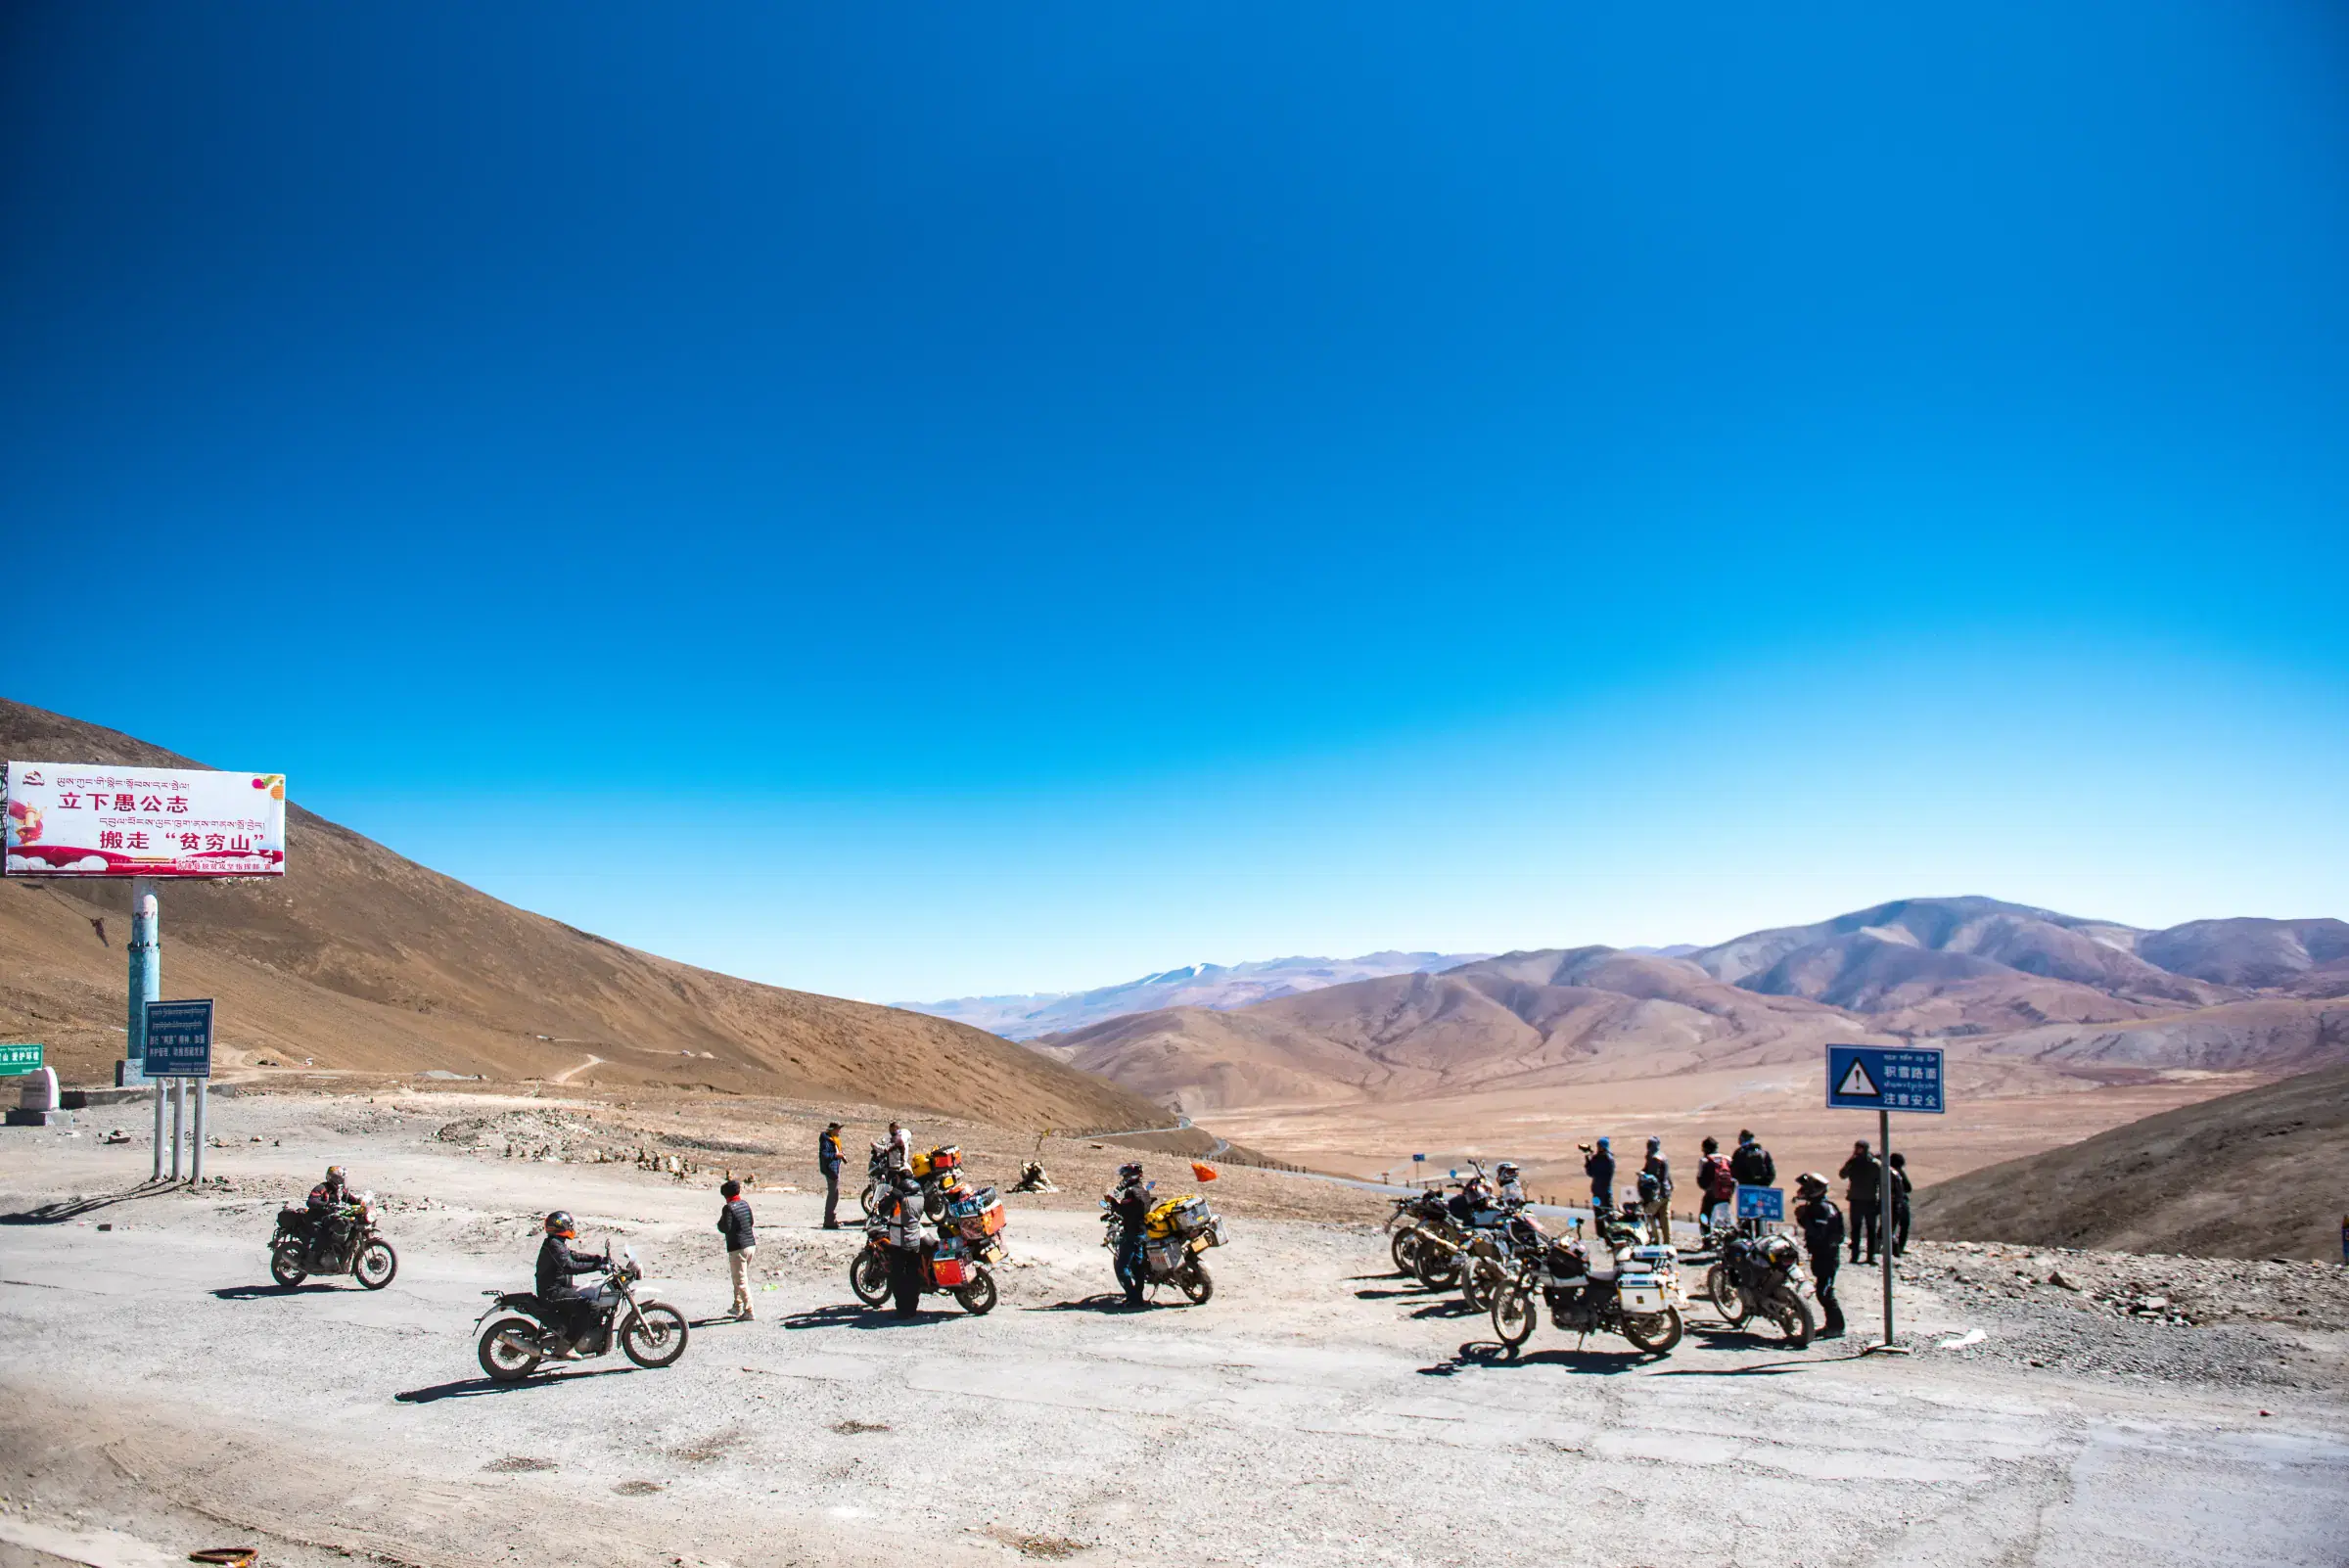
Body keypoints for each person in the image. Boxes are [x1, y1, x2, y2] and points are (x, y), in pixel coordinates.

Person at [535, 1211, 611, 1351]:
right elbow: (570, 1266)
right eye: (568, 1225)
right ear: (561, 1227)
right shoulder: (554, 1244)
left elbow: (574, 1256)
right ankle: (567, 1345)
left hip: (557, 1289)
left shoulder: (556, 1243)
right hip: (553, 1293)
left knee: (589, 1294)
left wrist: (597, 1259)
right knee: (592, 1306)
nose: (571, 1228)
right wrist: (597, 1266)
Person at [1792, 1173, 1846, 1338]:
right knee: (1823, 1291)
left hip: (1827, 1255)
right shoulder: (1822, 1206)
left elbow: (1818, 1232)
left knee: (1825, 1292)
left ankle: (1836, 1327)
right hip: (1823, 1254)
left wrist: (1804, 1218)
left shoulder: (1822, 1208)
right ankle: (1831, 1325)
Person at [1108, 1161, 1153, 1307]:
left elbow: (1123, 1210)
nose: (1123, 1178)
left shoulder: (1131, 1192)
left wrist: (1113, 1203)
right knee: (1137, 1266)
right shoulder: (1144, 1191)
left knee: (1122, 1267)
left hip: (1131, 1232)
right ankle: (1138, 1299)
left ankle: (1132, 1297)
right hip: (1142, 1232)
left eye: (1125, 1175)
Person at [717, 1178, 757, 1320]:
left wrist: (720, 1223)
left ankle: (749, 1310)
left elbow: (725, 1227)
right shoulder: (744, 1204)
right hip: (751, 1245)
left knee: (740, 1280)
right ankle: (737, 1305)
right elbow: (751, 1222)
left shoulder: (728, 1208)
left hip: (737, 1248)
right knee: (738, 1278)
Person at [1839, 1140, 1883, 1264]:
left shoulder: (1874, 1164)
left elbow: (1881, 1183)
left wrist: (1880, 1201)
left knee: (1871, 1229)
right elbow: (1842, 1175)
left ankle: (1870, 1257)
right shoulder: (1853, 1163)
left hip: (1870, 1200)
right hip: (1856, 1200)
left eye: (1860, 1148)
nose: (1858, 1150)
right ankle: (1855, 1256)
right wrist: (1850, 1160)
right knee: (1856, 1230)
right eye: (1857, 1148)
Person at [305, 1166, 354, 1258]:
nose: (340, 1181)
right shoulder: (322, 1187)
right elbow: (311, 1200)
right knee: (326, 1235)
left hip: (329, 1218)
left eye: (342, 1179)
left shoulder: (340, 1191)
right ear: (331, 1178)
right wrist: (325, 1204)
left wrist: (364, 1203)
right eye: (338, 1178)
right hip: (316, 1218)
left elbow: (352, 1200)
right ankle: (312, 1257)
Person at [1696, 1136, 1736, 1241]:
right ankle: (1727, 1239)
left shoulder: (1705, 1160)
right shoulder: (1727, 1159)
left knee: (1705, 1216)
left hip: (1711, 1194)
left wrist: (1707, 1188)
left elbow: (1701, 1180)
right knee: (1725, 1215)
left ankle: (1707, 1239)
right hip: (1726, 1193)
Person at [1640, 1136, 1674, 1244]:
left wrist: (1643, 1175)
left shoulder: (1655, 1159)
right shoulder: (1663, 1156)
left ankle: (1655, 1239)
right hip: (1666, 1191)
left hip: (1657, 1193)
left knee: (1648, 1214)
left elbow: (1652, 1178)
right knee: (1664, 1218)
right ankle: (1667, 1241)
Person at [817, 1122, 846, 1229]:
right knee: (833, 1195)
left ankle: (830, 1219)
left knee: (835, 1194)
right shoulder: (826, 1140)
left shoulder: (833, 1139)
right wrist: (836, 1155)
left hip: (833, 1169)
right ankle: (829, 1220)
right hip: (830, 1170)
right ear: (833, 1129)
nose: (840, 1131)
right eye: (838, 1129)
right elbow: (824, 1154)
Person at [1887, 1152, 1912, 1256]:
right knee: (1904, 1224)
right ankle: (1899, 1247)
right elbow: (1908, 1188)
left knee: (1889, 1226)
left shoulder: (1885, 1171)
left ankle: (1885, 1246)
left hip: (1889, 1202)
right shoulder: (1898, 1172)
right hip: (1900, 1202)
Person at [1583, 1137, 1616, 1216]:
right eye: (1598, 1146)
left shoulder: (1609, 1160)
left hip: (1605, 1193)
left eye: (1600, 1146)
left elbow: (1604, 1175)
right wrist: (1588, 1162)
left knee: (1608, 1214)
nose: (1599, 1148)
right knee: (1598, 1214)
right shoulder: (1596, 1158)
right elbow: (1590, 1173)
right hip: (1596, 1192)